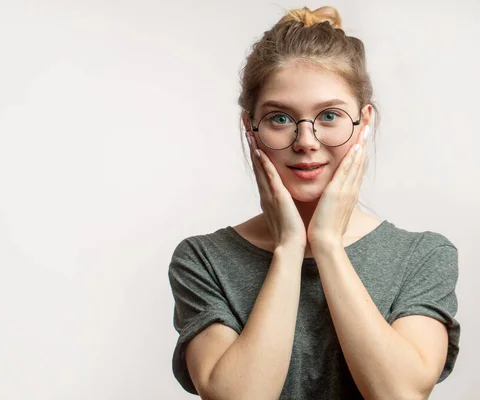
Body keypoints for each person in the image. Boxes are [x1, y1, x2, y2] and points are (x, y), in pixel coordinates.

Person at [167, 5, 460, 400]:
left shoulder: (423, 256)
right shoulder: (203, 260)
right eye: (280, 118)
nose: (306, 141)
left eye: (329, 115)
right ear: (250, 128)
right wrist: (289, 247)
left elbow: (399, 395)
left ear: (364, 121)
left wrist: (326, 243)